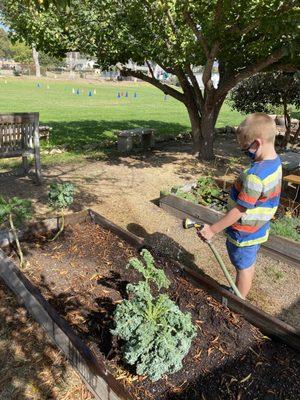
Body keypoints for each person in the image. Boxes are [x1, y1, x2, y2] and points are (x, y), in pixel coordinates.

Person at [199, 113, 282, 299]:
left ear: (258, 144)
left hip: (243, 233)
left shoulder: (255, 176)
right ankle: (239, 292)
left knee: (242, 266)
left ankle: (239, 299)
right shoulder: (276, 163)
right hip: (258, 228)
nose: (245, 153)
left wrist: (212, 229)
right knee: (248, 264)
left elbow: (239, 210)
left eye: (245, 150)